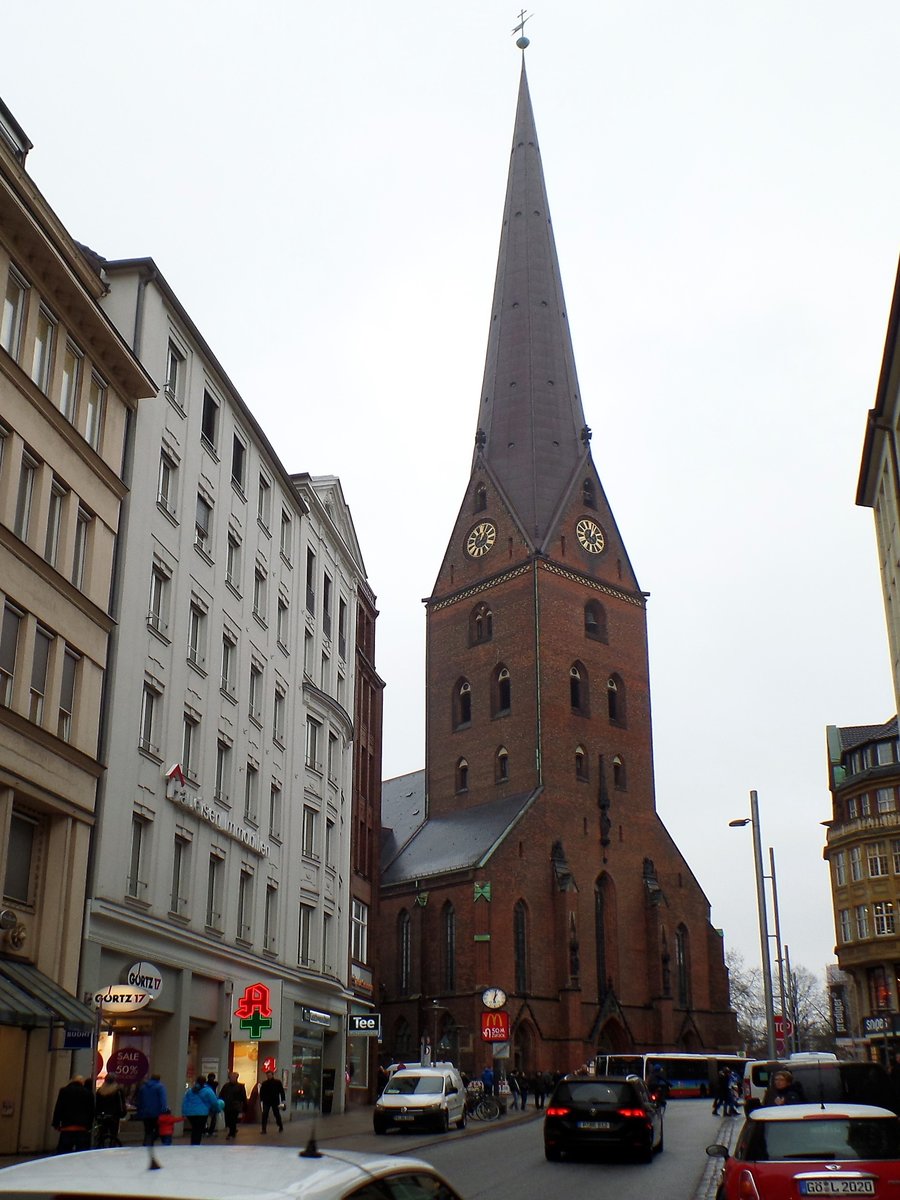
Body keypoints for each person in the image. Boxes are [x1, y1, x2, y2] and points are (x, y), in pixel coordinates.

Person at [51, 1075, 94, 1154]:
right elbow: (91, 1111)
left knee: (64, 1153)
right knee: (81, 1153)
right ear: (82, 1082)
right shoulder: (88, 1093)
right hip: (82, 1128)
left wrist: (56, 1123)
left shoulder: (64, 1091)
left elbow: (59, 1108)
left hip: (67, 1127)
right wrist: (89, 1126)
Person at [135, 1073, 168, 1147]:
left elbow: (139, 1100)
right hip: (156, 1112)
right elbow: (163, 1099)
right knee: (158, 1130)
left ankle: (147, 1143)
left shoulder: (143, 1087)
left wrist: (139, 1110)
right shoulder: (160, 1087)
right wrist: (164, 1109)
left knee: (147, 1130)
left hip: (145, 1112)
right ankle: (149, 1142)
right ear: (159, 1079)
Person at [94, 1073, 127, 1146]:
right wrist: (122, 1113)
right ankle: (112, 1145)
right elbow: (121, 1104)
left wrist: (97, 1114)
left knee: (102, 1132)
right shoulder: (117, 1090)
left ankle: (101, 1145)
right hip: (114, 1116)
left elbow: (97, 1104)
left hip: (102, 1115)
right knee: (113, 1134)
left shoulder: (100, 1091)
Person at [218, 1071, 248, 1141]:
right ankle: (232, 1130)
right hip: (227, 1105)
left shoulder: (240, 1086)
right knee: (227, 1120)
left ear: (236, 1078)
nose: (232, 1079)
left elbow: (243, 1097)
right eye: (231, 1077)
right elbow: (221, 1094)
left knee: (233, 1119)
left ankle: (231, 1133)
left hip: (235, 1106)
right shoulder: (226, 1086)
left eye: (233, 1077)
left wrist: (244, 1107)